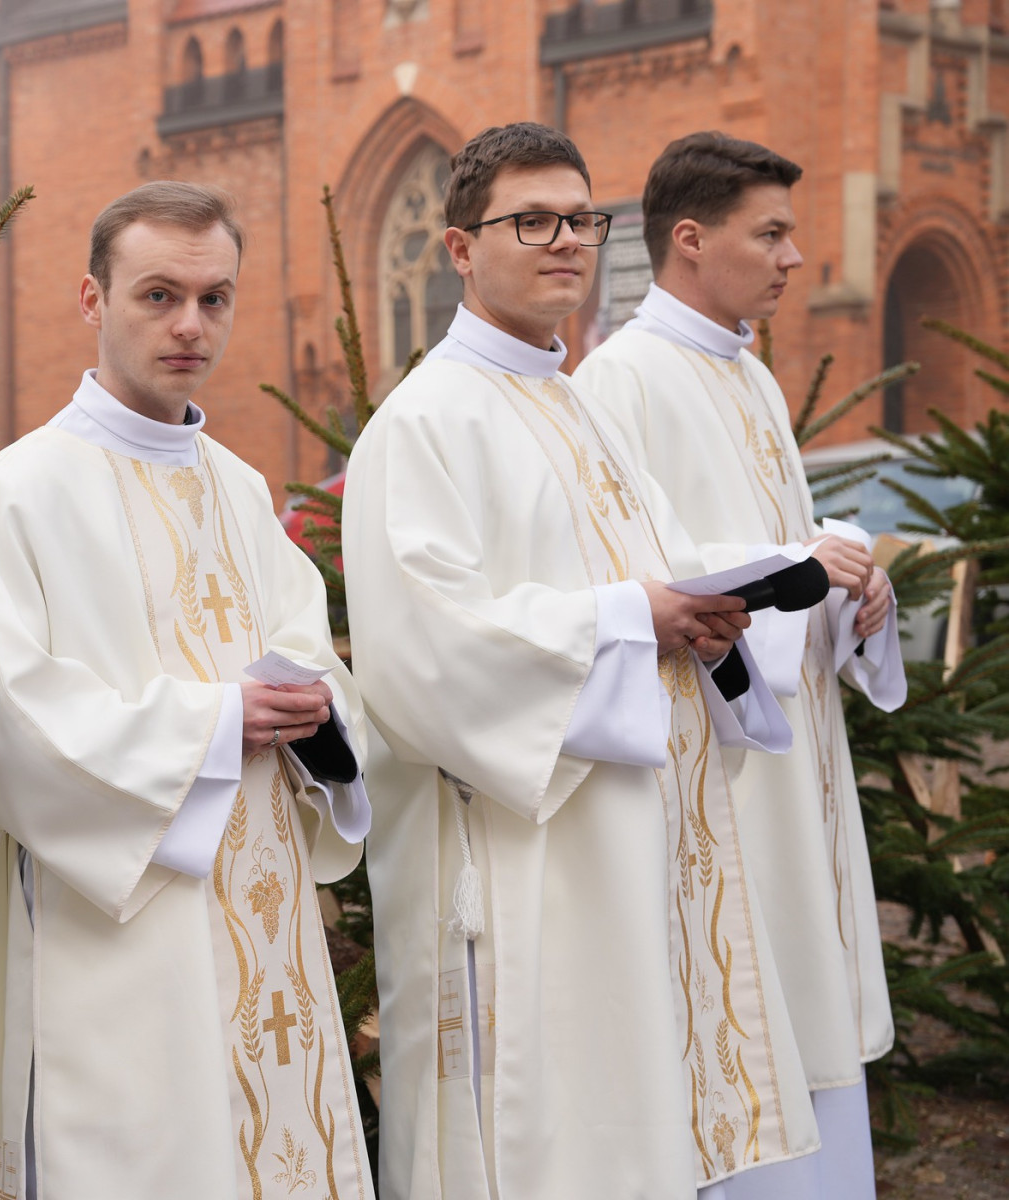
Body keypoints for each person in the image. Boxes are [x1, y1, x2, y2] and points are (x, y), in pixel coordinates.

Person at [342, 122, 818, 1200]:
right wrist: (631, 617)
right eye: (533, 221)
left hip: (628, 835)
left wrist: (708, 613)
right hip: (520, 858)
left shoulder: (583, 411)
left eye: (581, 220)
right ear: (460, 249)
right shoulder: (423, 425)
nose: (567, 241)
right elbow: (423, 659)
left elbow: (662, 573)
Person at [0, 182, 373, 1200]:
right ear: (93, 299)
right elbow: (2, 726)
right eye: (159, 295)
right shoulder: (19, 494)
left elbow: (316, 664)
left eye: (214, 299)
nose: (190, 326)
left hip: (265, 916)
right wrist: (216, 721)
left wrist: (318, 716)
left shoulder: (239, 488)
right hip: (119, 934)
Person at [574, 131, 903, 1200]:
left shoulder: (749, 375)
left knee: (809, 1005)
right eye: (769, 234)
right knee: (741, 1014)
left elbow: (779, 557)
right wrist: (794, 574)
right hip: (716, 768)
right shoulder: (621, 380)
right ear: (688, 239)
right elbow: (637, 585)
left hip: (797, 763)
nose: (792, 257)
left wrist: (847, 598)